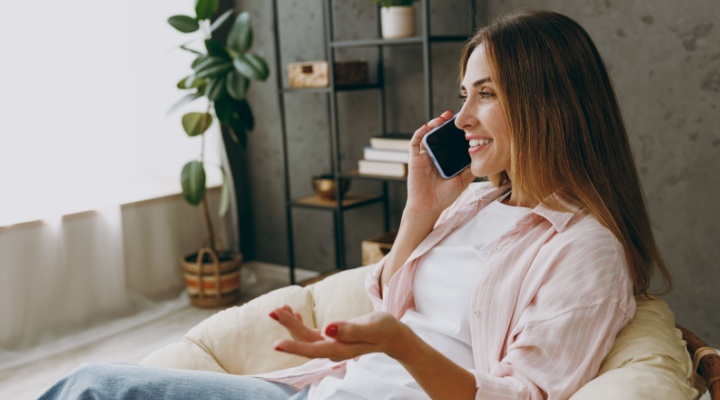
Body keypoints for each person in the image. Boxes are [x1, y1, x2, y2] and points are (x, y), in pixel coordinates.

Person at [38, 9, 672, 400]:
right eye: (463, 93)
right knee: (90, 384)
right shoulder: (476, 203)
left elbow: (520, 397)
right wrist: (419, 214)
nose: (464, 116)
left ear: (549, 104)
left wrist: (400, 346)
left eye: (488, 94)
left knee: (93, 387)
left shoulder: (584, 249)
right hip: (323, 392)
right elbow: (386, 304)